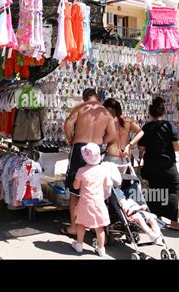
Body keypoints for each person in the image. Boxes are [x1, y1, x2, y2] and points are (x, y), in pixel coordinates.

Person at [62, 88, 116, 237]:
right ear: (97, 97)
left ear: (84, 97)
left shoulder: (80, 107)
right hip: (96, 149)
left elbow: (67, 125)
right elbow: (112, 134)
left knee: (75, 189)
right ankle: (93, 225)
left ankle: (74, 227)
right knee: (94, 188)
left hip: (80, 147)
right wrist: (100, 142)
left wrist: (70, 139)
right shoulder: (105, 112)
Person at [138, 97, 179, 232]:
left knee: (155, 189)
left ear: (150, 112)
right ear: (164, 111)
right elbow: (178, 146)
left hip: (150, 164)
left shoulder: (147, 127)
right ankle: (174, 222)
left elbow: (141, 148)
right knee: (174, 188)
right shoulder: (169, 126)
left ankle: (157, 218)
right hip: (166, 164)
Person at [71, 143, 111, 257]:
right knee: (99, 227)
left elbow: (75, 186)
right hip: (99, 202)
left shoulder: (81, 171)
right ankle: (101, 249)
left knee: (81, 224)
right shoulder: (104, 170)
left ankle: (79, 245)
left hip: (85, 202)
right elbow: (107, 184)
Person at [103, 98, 144, 165]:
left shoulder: (108, 122)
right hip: (125, 157)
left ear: (109, 109)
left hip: (111, 157)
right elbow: (141, 132)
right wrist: (129, 145)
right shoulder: (127, 121)